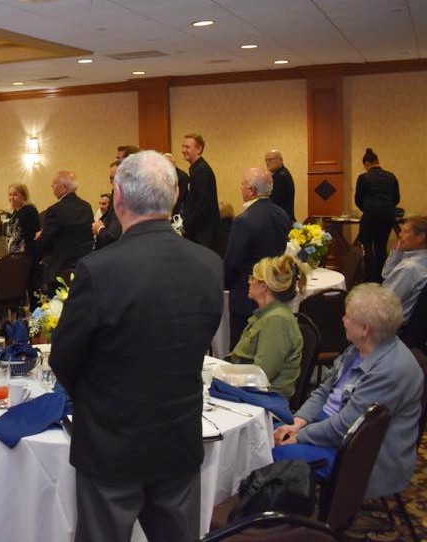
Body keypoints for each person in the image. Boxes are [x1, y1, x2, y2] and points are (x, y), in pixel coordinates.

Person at [49, 151, 223, 542]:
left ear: (118, 197)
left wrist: (97, 397)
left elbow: (64, 358)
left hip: (111, 442)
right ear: (175, 196)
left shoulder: (98, 269)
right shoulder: (209, 264)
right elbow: (202, 337)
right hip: (178, 435)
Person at [273, 284, 422, 499]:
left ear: (365, 329)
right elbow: (324, 391)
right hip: (332, 429)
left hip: (361, 456)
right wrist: (298, 422)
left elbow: (347, 427)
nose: (343, 320)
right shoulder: (359, 349)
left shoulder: (391, 370)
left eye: (348, 316)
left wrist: (300, 436)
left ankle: (276, 510)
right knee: (263, 433)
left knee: (275, 452)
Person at [223, 168, 292, 348]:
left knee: (243, 351)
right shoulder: (282, 215)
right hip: (276, 293)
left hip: (248, 298)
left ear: (252, 191)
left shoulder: (243, 221)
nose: (240, 188)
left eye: (243, 185)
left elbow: (232, 263)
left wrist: (223, 284)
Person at [228, 255, 307, 399]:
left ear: (263, 287)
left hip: (263, 398)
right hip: (250, 391)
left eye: (253, 278)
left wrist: (223, 376)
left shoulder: (277, 320)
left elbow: (261, 373)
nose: (249, 281)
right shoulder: (267, 314)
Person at [36, 170, 94, 290]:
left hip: (59, 270)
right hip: (82, 267)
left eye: (54, 183)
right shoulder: (86, 207)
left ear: (63, 188)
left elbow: (45, 243)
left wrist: (40, 236)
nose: (51, 186)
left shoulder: (55, 210)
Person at [355, 148, 401, 282]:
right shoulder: (391, 176)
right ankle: (382, 278)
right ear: (377, 161)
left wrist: (367, 208)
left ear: (367, 163)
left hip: (370, 215)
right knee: (381, 247)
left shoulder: (363, 178)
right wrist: (387, 207)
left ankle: (370, 278)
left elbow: (358, 199)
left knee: (368, 248)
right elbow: (396, 198)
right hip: (387, 216)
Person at [382, 216, 427, 323]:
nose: (400, 235)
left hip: (391, 325)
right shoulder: (419, 260)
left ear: (421, 237)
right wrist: (398, 251)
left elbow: (384, 303)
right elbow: (386, 274)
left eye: (406, 232)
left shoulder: (409, 268)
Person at [182, 133, 220, 250]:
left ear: (199, 149)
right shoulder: (197, 169)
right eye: (183, 146)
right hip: (199, 232)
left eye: (187, 147)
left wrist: (187, 225)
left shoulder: (201, 170)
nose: (183, 150)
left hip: (202, 234)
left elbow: (203, 204)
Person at [93, 161, 122, 250]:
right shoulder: (116, 194)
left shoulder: (122, 199)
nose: (110, 181)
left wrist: (99, 229)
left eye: (112, 178)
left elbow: (113, 236)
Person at [6, 182, 40, 255]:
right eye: (10, 195)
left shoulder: (29, 211)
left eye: (15, 195)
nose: (11, 198)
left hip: (25, 253)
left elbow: (28, 235)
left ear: (24, 196)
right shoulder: (16, 212)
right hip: (14, 253)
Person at [265, 150, 295, 221]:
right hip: (284, 219)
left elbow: (273, 202)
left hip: (281, 220)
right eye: (266, 160)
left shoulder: (280, 177)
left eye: (270, 159)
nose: (267, 162)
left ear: (280, 160)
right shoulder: (283, 173)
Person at [164, 152, 190, 217]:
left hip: (180, 210)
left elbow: (180, 197)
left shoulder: (182, 176)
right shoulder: (166, 175)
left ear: (173, 164)